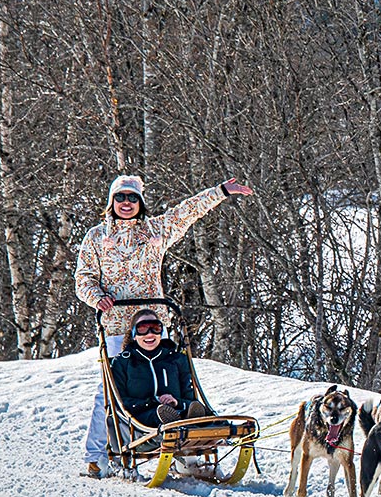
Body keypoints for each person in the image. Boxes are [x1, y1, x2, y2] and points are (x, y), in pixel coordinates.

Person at [76, 173, 254, 477]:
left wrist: (222, 190)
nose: (127, 203)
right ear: (111, 202)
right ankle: (98, 455)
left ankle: (183, 446)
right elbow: (83, 278)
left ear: (141, 202)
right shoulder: (96, 237)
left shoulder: (155, 229)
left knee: (172, 381)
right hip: (118, 324)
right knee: (112, 392)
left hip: (152, 322)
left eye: (133, 198)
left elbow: (188, 211)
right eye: (121, 197)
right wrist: (98, 297)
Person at [111, 308, 206, 427]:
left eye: (155, 328)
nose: (150, 334)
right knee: (158, 414)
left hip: (179, 411)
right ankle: (180, 424)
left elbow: (190, 399)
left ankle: (198, 423)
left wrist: (176, 402)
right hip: (141, 420)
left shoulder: (176, 359)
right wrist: (154, 400)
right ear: (135, 334)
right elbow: (120, 402)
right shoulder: (123, 362)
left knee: (196, 412)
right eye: (143, 329)